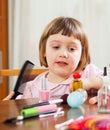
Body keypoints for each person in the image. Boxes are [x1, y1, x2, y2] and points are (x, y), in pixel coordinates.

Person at [3, 16, 103, 103]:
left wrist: (91, 83)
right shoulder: (31, 89)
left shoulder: (89, 73)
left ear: (82, 54)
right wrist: (6, 108)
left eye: (72, 49)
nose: (63, 54)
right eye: (56, 47)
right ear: (44, 51)